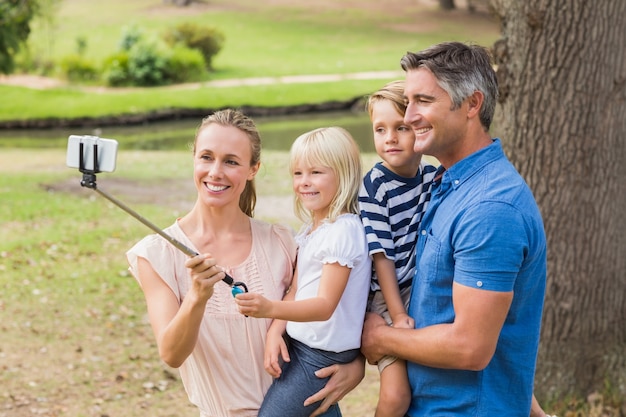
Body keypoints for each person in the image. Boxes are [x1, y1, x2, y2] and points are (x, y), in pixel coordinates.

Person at [126, 109, 364, 417]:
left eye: (231, 161)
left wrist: (355, 364)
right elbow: (171, 354)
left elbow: (349, 302)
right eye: (206, 157)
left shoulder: (282, 242)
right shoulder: (157, 254)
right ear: (194, 160)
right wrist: (197, 296)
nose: (215, 172)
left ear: (253, 169)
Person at [361, 42, 548, 416]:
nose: (410, 116)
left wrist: (381, 337)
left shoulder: (490, 208)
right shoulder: (445, 184)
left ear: (472, 105)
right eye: (408, 101)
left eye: (423, 101)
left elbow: (470, 347)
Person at [235, 127, 372, 417]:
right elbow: (296, 290)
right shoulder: (313, 229)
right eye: (298, 174)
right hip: (301, 344)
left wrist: (269, 308)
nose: (304, 183)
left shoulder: (343, 231)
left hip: (321, 354)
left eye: (316, 173)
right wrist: (275, 328)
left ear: (343, 174)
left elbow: (324, 307)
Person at [358, 80, 438, 417]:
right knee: (396, 397)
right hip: (388, 296)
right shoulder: (374, 186)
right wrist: (399, 315)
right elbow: (381, 257)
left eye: (401, 127)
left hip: (420, 288)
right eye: (380, 129)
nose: (389, 137)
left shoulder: (432, 176)